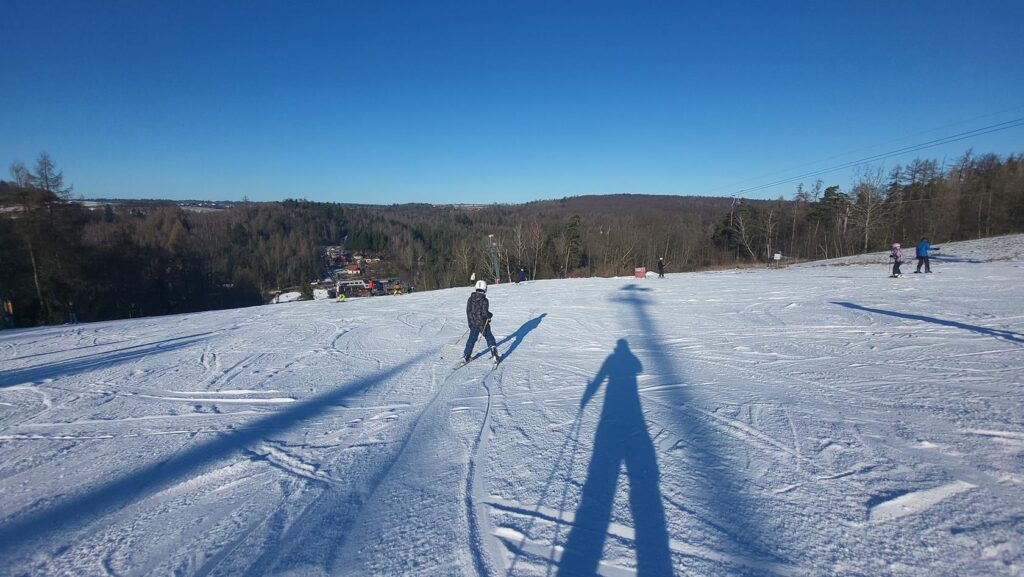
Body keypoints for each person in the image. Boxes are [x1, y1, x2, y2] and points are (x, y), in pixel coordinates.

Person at [463, 280, 500, 364]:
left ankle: (466, 355)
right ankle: (494, 352)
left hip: (473, 323)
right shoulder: (484, 300)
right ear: (485, 289)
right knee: (489, 336)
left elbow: (468, 311)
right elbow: (484, 313)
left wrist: (471, 322)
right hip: (482, 324)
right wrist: (489, 315)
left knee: (471, 339)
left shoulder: (470, 299)